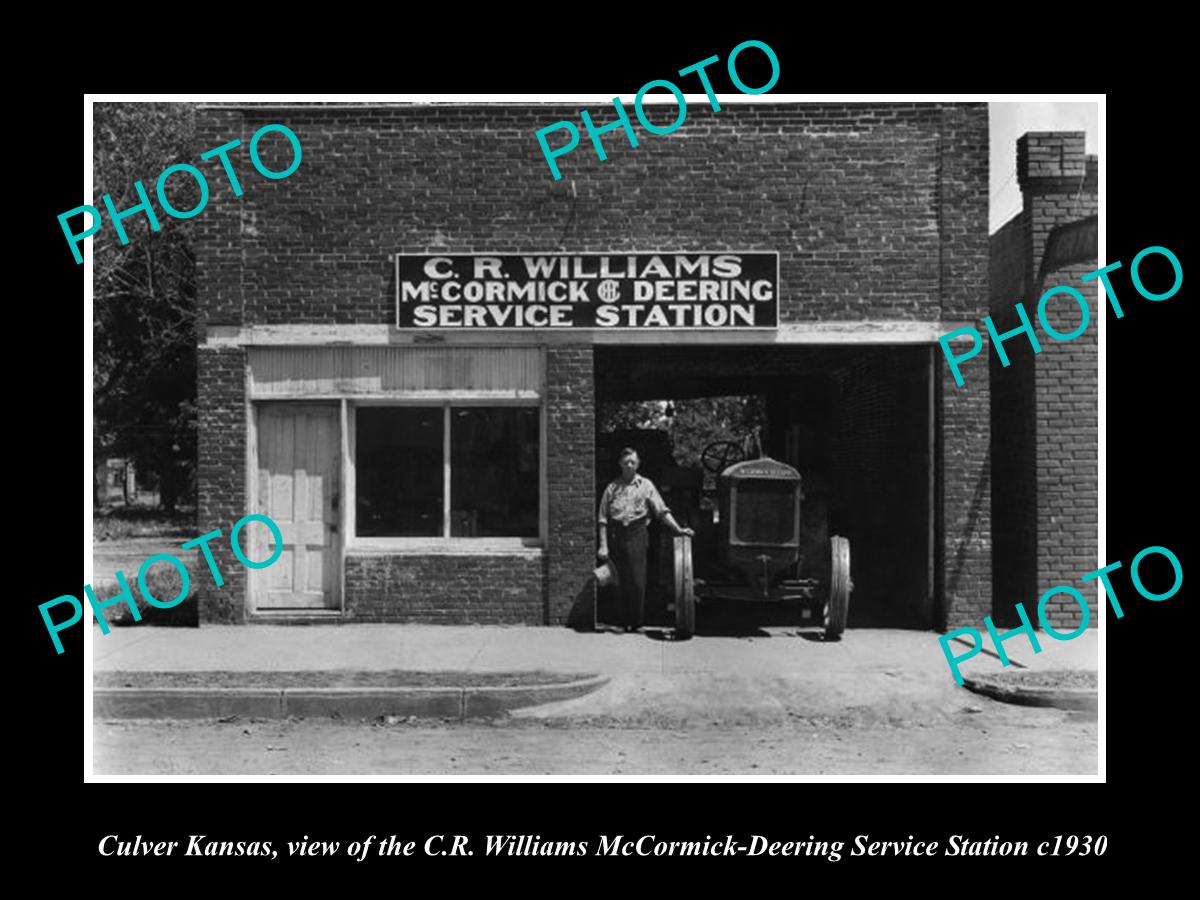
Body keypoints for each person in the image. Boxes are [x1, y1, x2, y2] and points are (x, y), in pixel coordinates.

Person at [597, 448, 694, 632]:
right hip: (616, 534)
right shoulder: (611, 488)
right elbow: (602, 519)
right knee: (616, 579)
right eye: (626, 462)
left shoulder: (646, 485)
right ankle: (620, 622)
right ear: (620, 464)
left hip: (637, 533)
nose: (629, 465)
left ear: (638, 464)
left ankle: (636, 622)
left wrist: (678, 529)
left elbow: (661, 511)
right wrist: (603, 545)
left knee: (637, 579)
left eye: (633, 462)